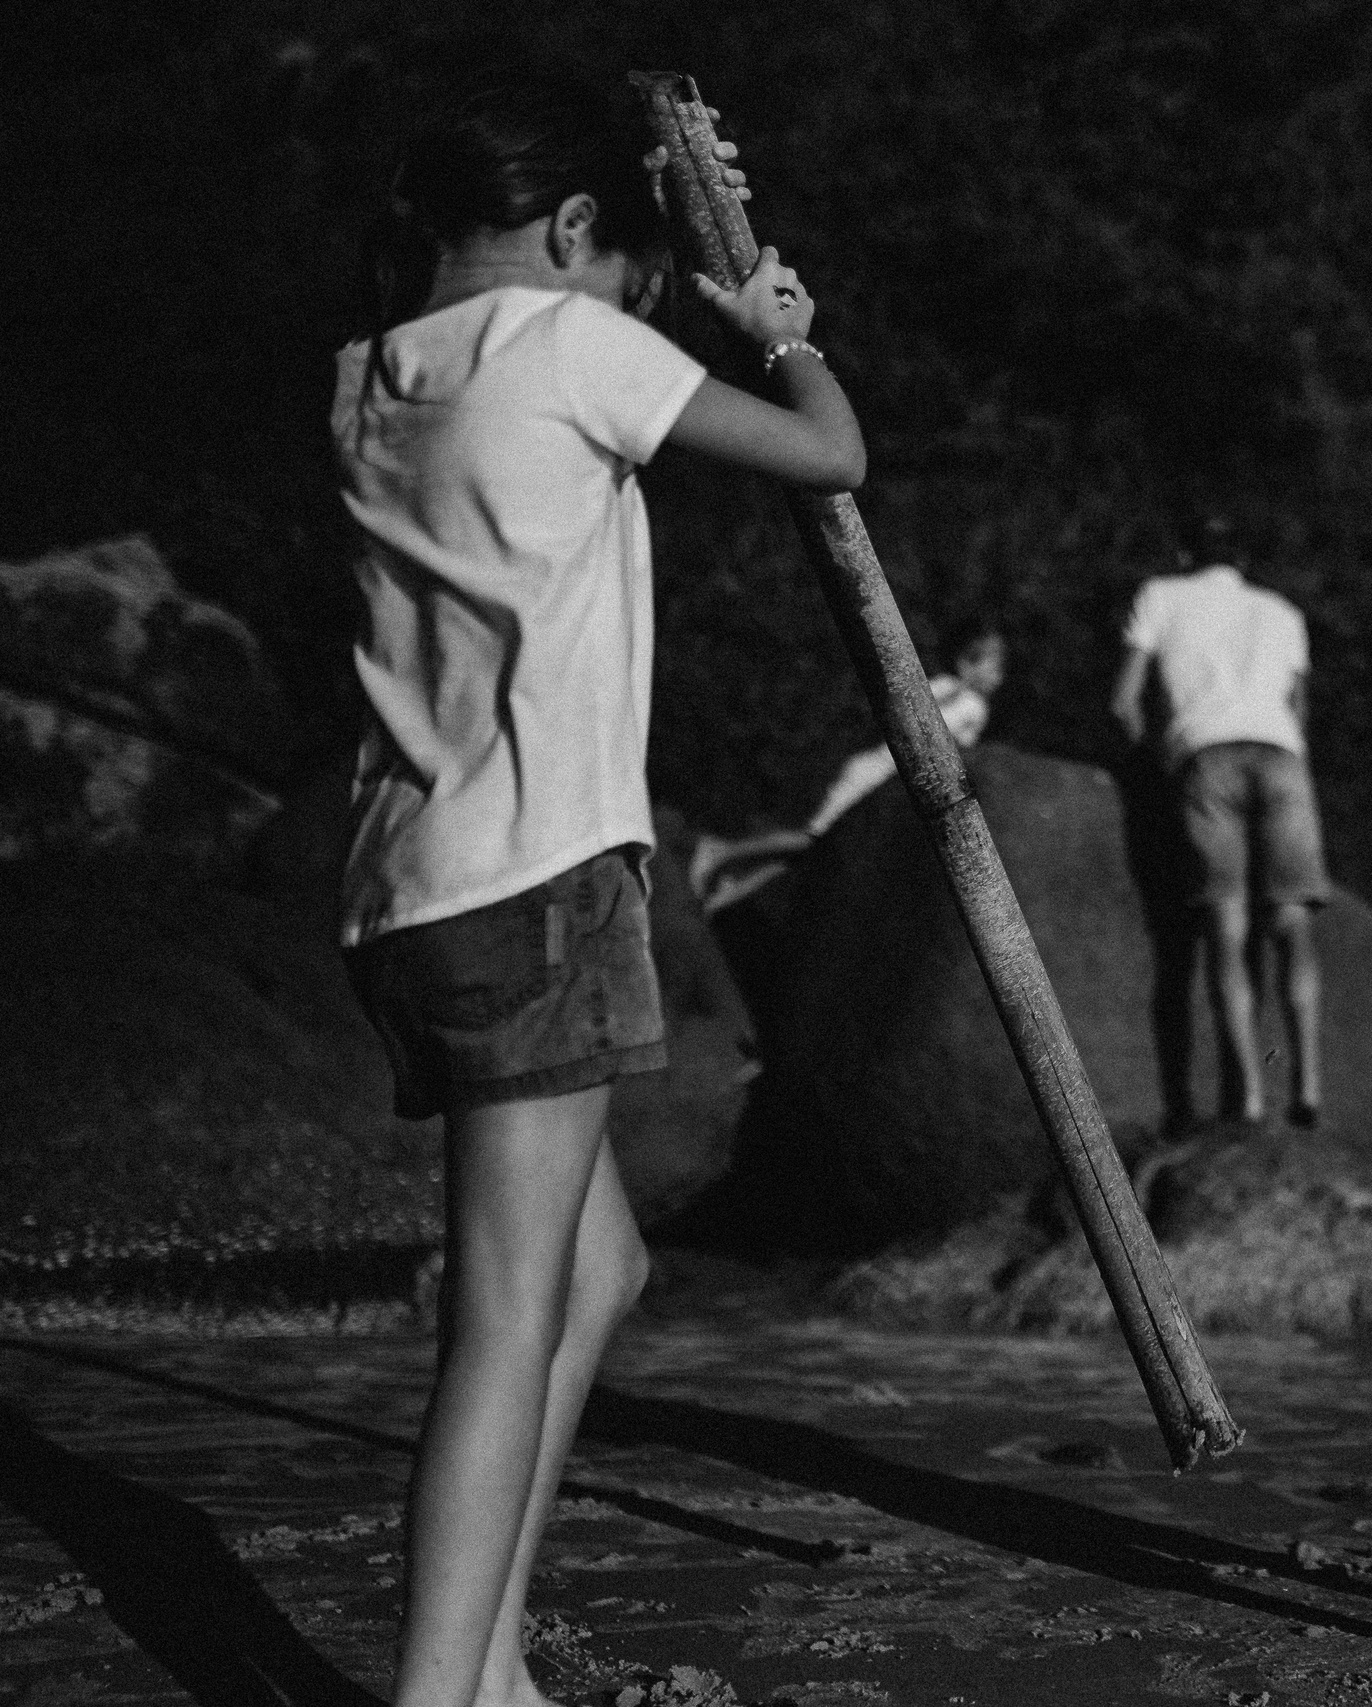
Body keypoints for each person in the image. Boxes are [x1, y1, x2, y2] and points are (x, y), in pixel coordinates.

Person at [332, 73, 862, 1707]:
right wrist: (774, 329)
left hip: (410, 887)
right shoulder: (569, 346)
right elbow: (829, 452)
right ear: (572, 230)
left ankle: (492, 1669)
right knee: (507, 1310)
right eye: (626, 273)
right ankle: (439, 1693)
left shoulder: (369, 377)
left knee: (599, 1270)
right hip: (538, 882)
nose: (634, 307)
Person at [1112, 519, 1330, 1127]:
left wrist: (1162, 766)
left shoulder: (1159, 594)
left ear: (1186, 553)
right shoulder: (1283, 612)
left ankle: (1250, 1099)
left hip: (1205, 755)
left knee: (1225, 930)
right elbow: (1298, 711)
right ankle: (1308, 1090)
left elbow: (1123, 703)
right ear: (1243, 560)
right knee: (1292, 925)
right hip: (1282, 756)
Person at [687, 620, 1005, 915]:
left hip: (883, 783)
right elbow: (921, 729)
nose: (998, 676)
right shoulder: (960, 697)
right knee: (813, 840)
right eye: (992, 664)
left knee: (809, 855)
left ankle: (724, 895)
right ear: (967, 662)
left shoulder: (964, 701)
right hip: (875, 775)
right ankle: (719, 852)